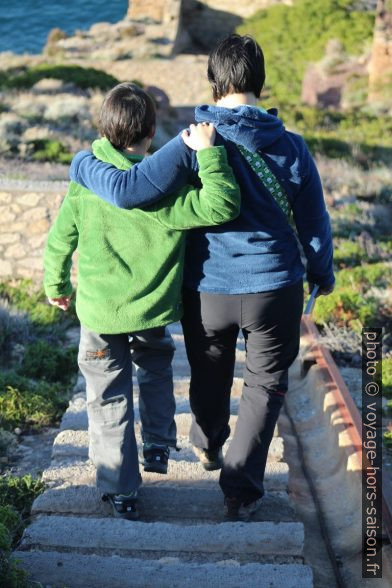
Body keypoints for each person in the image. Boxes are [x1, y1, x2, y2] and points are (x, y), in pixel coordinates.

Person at [69, 34, 335, 520]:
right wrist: (322, 275)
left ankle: (209, 442)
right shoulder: (294, 148)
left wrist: (83, 161)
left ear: (214, 82)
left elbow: (130, 191)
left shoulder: (192, 141)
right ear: (260, 82)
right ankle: (241, 487)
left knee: (210, 373)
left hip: (208, 288)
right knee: (263, 385)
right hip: (275, 287)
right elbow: (315, 225)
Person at [43, 82, 241, 520]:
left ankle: (122, 489)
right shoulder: (166, 192)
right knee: (154, 369)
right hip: (151, 311)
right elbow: (221, 205)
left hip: (99, 312)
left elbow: (60, 240)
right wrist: (207, 155)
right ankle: (156, 443)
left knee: (107, 394)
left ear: (104, 128)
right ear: (151, 132)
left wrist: (56, 284)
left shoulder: (87, 181)